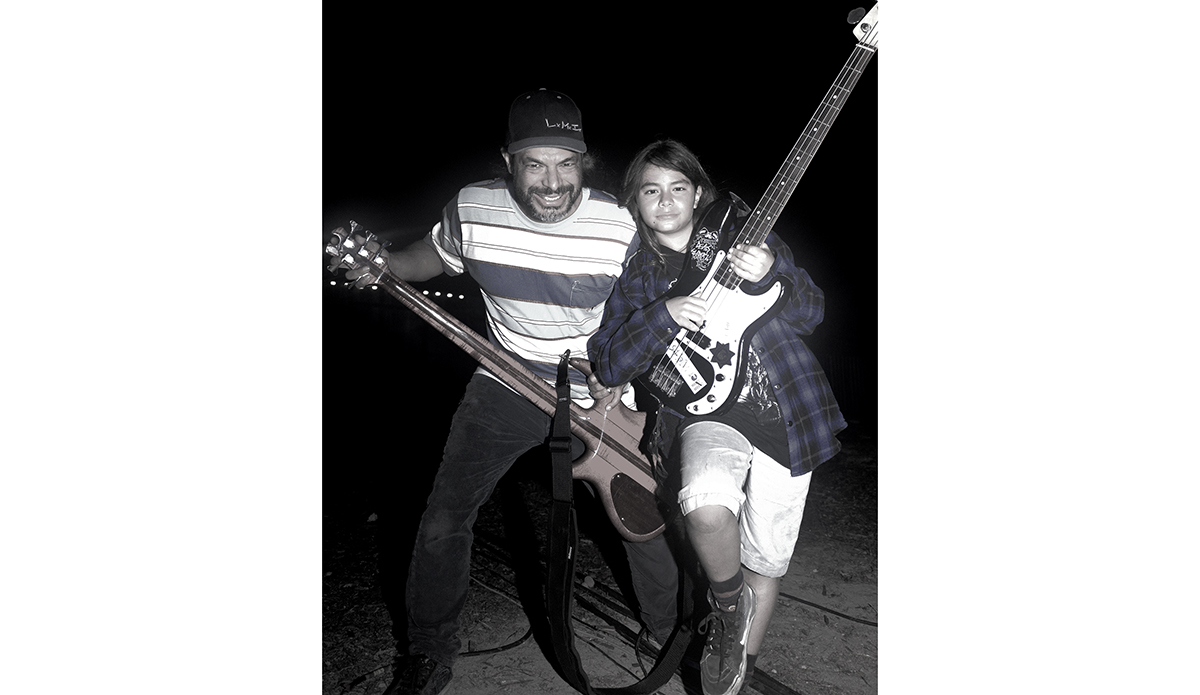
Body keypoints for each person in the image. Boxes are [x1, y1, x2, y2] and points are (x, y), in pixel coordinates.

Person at [340, 90, 678, 695]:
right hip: (504, 379)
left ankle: (668, 632)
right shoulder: (473, 208)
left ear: (585, 162)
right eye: (535, 164)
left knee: (641, 517)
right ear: (508, 161)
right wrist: (388, 263)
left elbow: (650, 309)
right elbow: (430, 256)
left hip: (598, 387)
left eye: (566, 163)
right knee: (445, 513)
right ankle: (428, 653)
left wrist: (622, 377)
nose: (552, 182)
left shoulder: (620, 223)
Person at [587, 139, 847, 695]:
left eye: (677, 188)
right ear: (636, 203)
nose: (665, 200)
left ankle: (738, 664)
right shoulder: (637, 279)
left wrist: (774, 271)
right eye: (651, 191)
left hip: (789, 414)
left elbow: (811, 312)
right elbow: (608, 362)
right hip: (703, 418)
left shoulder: (746, 239)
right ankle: (728, 611)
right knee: (705, 509)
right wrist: (664, 315)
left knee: (766, 559)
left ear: (699, 193)